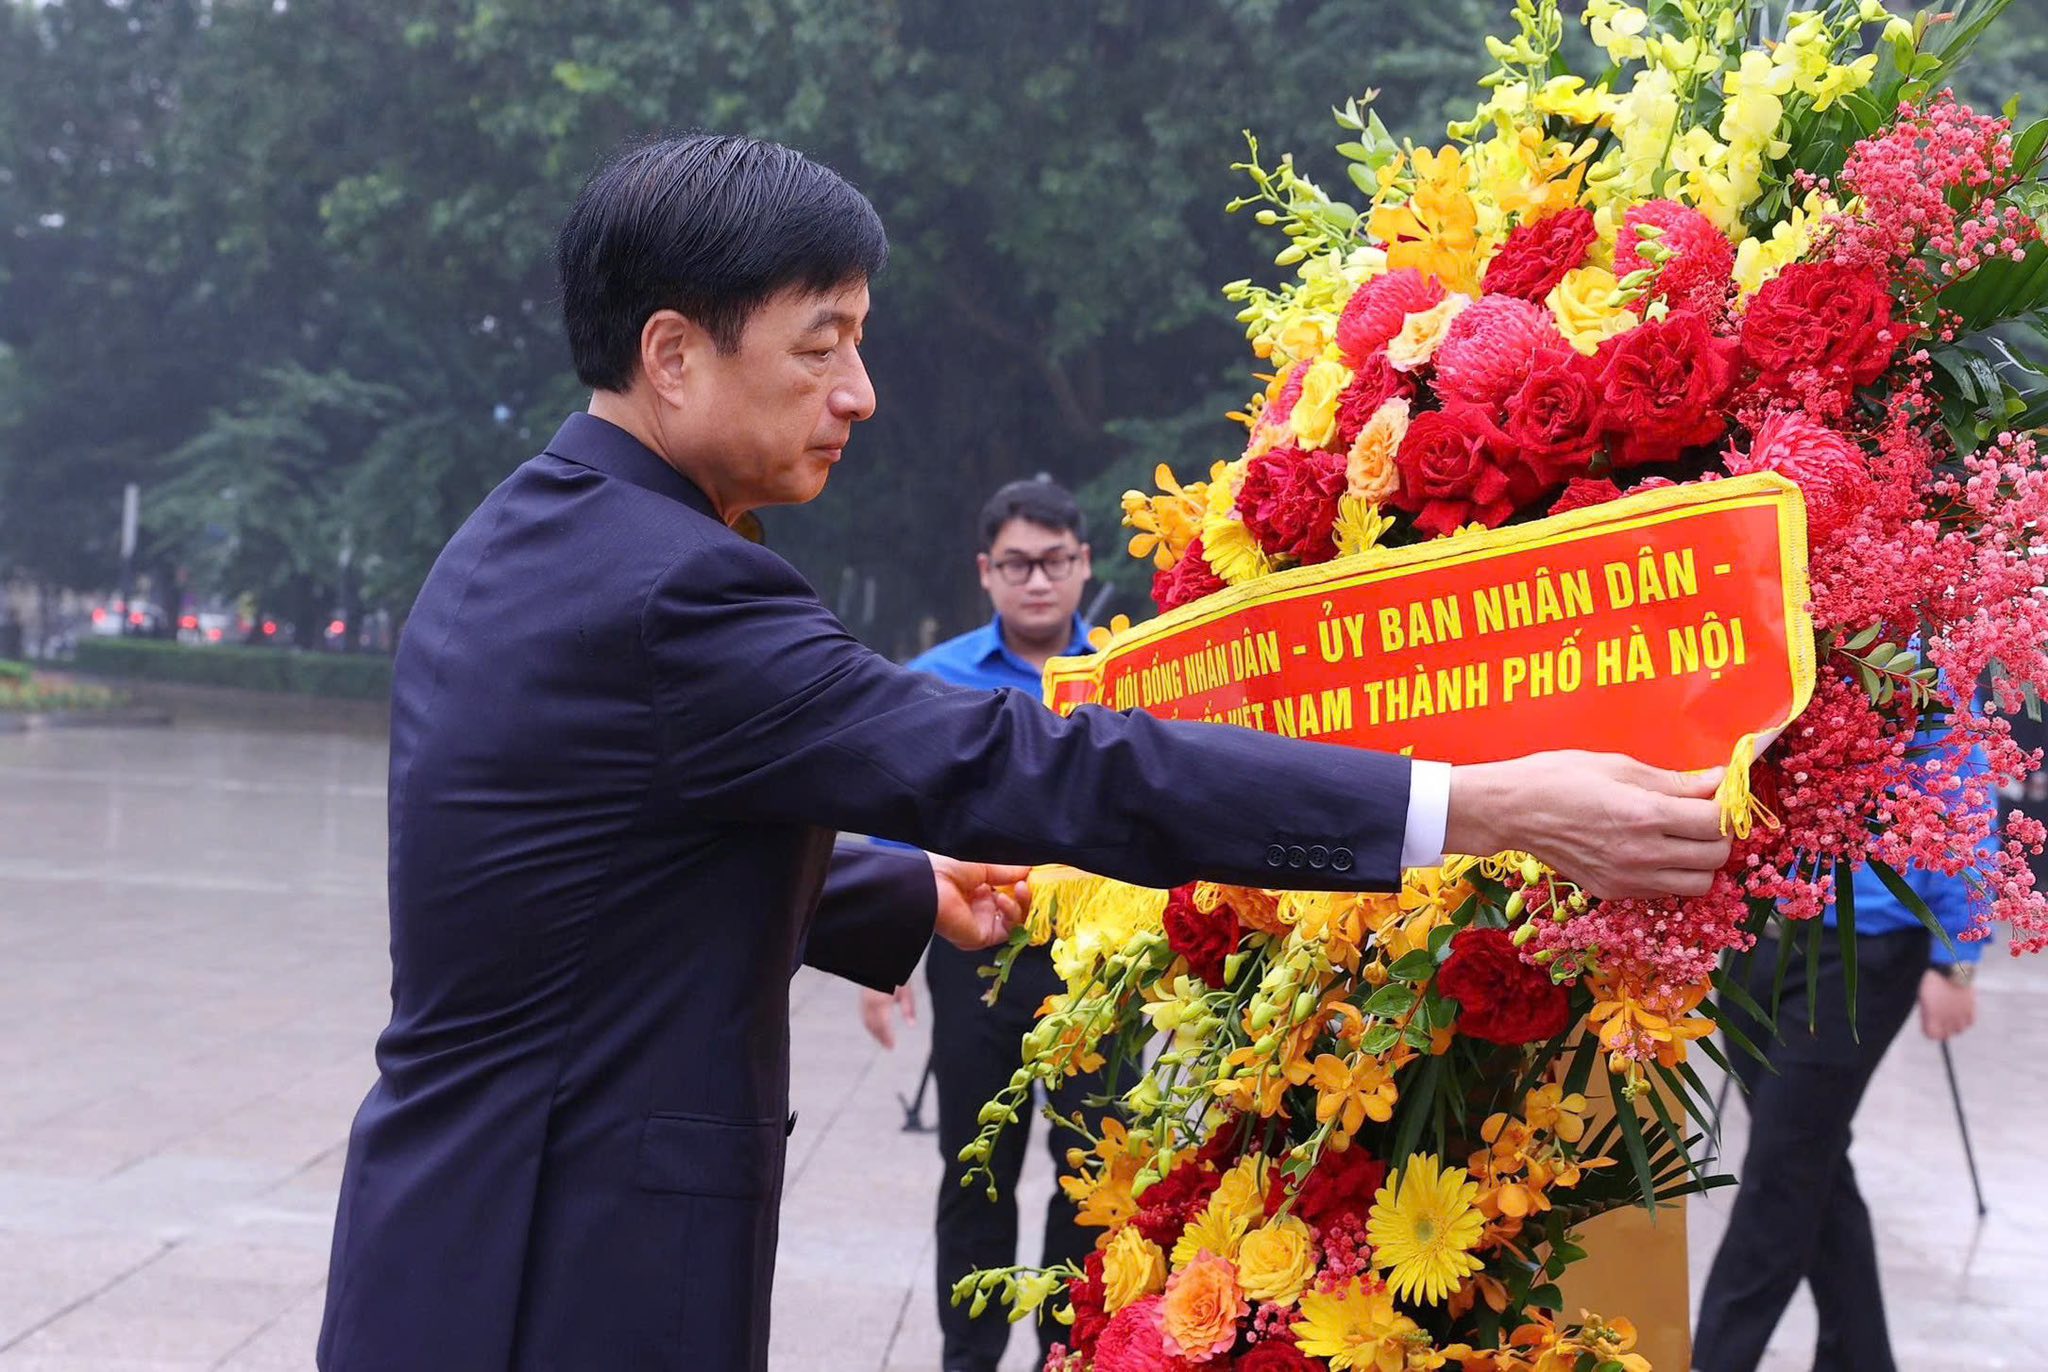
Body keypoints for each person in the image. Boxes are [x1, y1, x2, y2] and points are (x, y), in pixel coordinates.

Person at [315, 133, 1735, 1372]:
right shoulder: (679, 589)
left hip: (460, 1233)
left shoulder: (531, 532)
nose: (860, 392)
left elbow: (592, 869)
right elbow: (1046, 767)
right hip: (565, 1275)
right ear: (675, 353)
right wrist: (1477, 802)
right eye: (821, 345)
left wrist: (901, 887)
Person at [858, 477, 1106, 1372]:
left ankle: (1070, 1353)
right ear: (986, 572)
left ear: (1083, 566)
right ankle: (968, 1356)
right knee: (977, 1166)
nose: (1036, 581)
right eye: (1017, 564)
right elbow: (897, 820)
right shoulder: (939, 682)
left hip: (1101, 960)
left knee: (1095, 1171)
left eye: (1054, 562)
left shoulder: (1127, 672)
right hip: (978, 949)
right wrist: (880, 961)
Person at [1693, 737, 1986, 1372]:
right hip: (1757, 933)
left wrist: (1957, 958)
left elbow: (1964, 786)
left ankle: (1715, 1360)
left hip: (1864, 947)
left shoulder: (1919, 647)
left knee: (1782, 1170)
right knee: (1808, 1159)